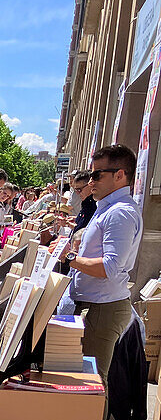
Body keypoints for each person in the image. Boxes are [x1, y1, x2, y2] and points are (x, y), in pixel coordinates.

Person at [59, 143, 143, 391]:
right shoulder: (108, 207)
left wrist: (70, 258)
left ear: (119, 175)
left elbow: (110, 267)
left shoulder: (120, 212)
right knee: (85, 379)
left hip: (102, 307)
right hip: (95, 304)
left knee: (92, 383)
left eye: (97, 175)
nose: (90, 181)